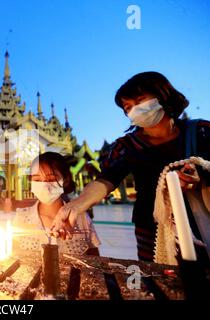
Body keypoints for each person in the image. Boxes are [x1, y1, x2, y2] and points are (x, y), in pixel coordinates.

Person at [51, 71, 210, 262]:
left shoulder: (201, 131)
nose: (134, 110)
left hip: (204, 222)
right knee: (162, 283)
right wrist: (77, 204)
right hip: (154, 232)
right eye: (128, 107)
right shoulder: (127, 146)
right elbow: (106, 180)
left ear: (162, 95)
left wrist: (201, 174)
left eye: (140, 101)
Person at [13, 152, 100, 255]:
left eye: (52, 179)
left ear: (66, 180)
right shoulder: (22, 217)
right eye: (37, 179)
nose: (44, 185)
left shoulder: (81, 218)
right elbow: (14, 255)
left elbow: (95, 259)